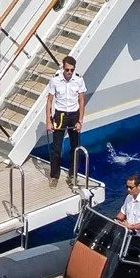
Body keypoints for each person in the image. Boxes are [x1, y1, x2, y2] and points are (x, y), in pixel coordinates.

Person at [44, 55, 86, 187]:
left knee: (75, 147)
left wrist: (80, 121)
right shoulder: (55, 81)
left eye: (72, 70)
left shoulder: (78, 80)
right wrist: (49, 121)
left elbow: (81, 101)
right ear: (63, 67)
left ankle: (72, 175)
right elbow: (49, 101)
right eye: (67, 70)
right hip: (60, 115)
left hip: (74, 115)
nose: (69, 73)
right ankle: (54, 176)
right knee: (56, 148)